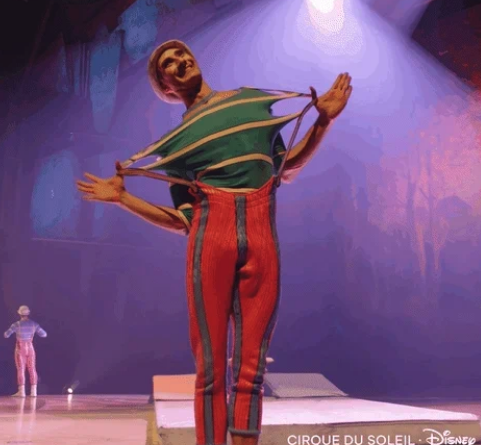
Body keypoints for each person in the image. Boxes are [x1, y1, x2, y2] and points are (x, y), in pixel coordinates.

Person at [76, 40, 352, 445]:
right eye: (168, 63)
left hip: (262, 233)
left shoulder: (249, 104)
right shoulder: (177, 145)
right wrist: (123, 198)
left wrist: (323, 122)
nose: (179, 60)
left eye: (181, 53)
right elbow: (181, 220)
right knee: (210, 370)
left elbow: (285, 167)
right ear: (166, 87)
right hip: (210, 238)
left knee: (251, 368)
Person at [4, 305, 47, 397]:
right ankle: (34, 391)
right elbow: (44, 334)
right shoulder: (34, 324)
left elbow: (6, 335)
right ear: (28, 313)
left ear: (19, 314)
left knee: (21, 370)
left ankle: (22, 392)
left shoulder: (16, 324)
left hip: (20, 348)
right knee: (32, 369)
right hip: (30, 347)